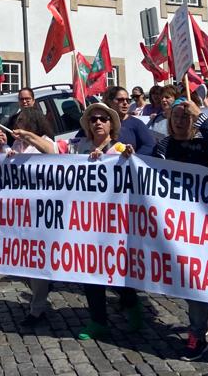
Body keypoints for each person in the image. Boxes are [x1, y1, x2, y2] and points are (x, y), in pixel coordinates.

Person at [153, 100, 208, 359]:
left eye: (185, 117)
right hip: (172, 222)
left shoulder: (203, 144)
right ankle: (202, 312)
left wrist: (201, 116)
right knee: (182, 275)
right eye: (175, 117)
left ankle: (197, 333)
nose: (180, 121)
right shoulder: (163, 146)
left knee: (195, 276)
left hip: (202, 221)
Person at [68, 103, 130, 341]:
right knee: (90, 273)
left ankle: (131, 304)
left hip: (114, 224)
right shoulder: (79, 147)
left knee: (118, 271)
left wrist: (125, 156)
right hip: (86, 223)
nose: (98, 122)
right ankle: (98, 321)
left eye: (103, 119)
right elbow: (52, 150)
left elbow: (131, 161)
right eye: (93, 119)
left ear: (111, 124)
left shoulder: (119, 147)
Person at [0, 107, 57, 327]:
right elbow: (1, 170)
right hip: (19, 212)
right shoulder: (17, 144)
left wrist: (28, 137)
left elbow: (52, 153)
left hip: (40, 210)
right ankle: (41, 291)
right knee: (20, 263)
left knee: (35, 261)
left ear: (32, 122)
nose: (16, 124)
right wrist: (4, 147)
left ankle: (37, 309)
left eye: (21, 121)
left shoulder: (44, 140)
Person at [105, 85, 156, 328]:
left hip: (130, 191)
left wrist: (134, 160)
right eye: (120, 99)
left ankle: (130, 295)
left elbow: (149, 146)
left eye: (128, 100)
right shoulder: (102, 122)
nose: (126, 103)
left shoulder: (135, 124)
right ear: (109, 102)